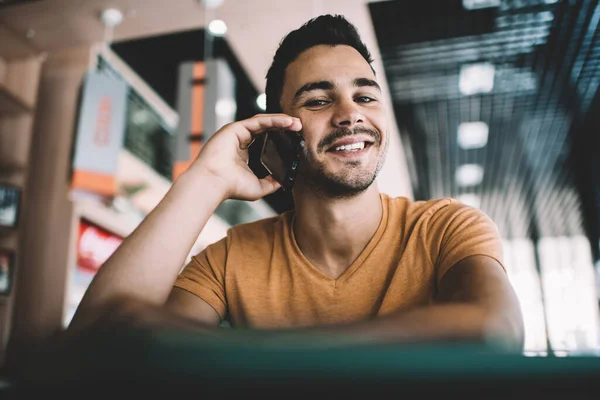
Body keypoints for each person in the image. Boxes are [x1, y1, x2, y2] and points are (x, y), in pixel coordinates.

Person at [68, 14, 524, 350]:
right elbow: (97, 342)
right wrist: (204, 179)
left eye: (365, 95)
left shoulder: (445, 227)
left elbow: (494, 331)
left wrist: (257, 350)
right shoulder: (231, 259)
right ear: (278, 133)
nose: (350, 114)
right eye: (319, 100)